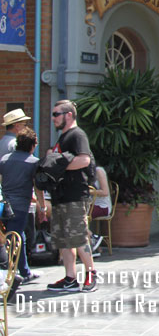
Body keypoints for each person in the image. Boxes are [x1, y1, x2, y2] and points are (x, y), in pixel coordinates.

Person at [43, 100, 98, 292]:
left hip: (75, 194)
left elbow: (84, 160)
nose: (53, 118)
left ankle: (91, 273)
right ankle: (70, 278)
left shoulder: (77, 134)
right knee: (64, 240)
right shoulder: (63, 138)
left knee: (79, 237)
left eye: (56, 114)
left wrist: (58, 165)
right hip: (61, 195)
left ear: (68, 115)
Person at [0, 128, 40, 282]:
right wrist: (42, 207)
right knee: (13, 238)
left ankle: (24, 271)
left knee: (17, 236)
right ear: (32, 145)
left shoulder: (4, 160)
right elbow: (38, 187)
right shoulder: (33, 163)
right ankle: (9, 273)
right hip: (21, 206)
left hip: (4, 205)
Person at [88, 164, 111, 254]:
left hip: (102, 206)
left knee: (79, 216)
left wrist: (87, 191)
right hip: (90, 204)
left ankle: (92, 238)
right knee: (76, 214)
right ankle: (93, 239)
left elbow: (105, 192)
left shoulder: (99, 171)